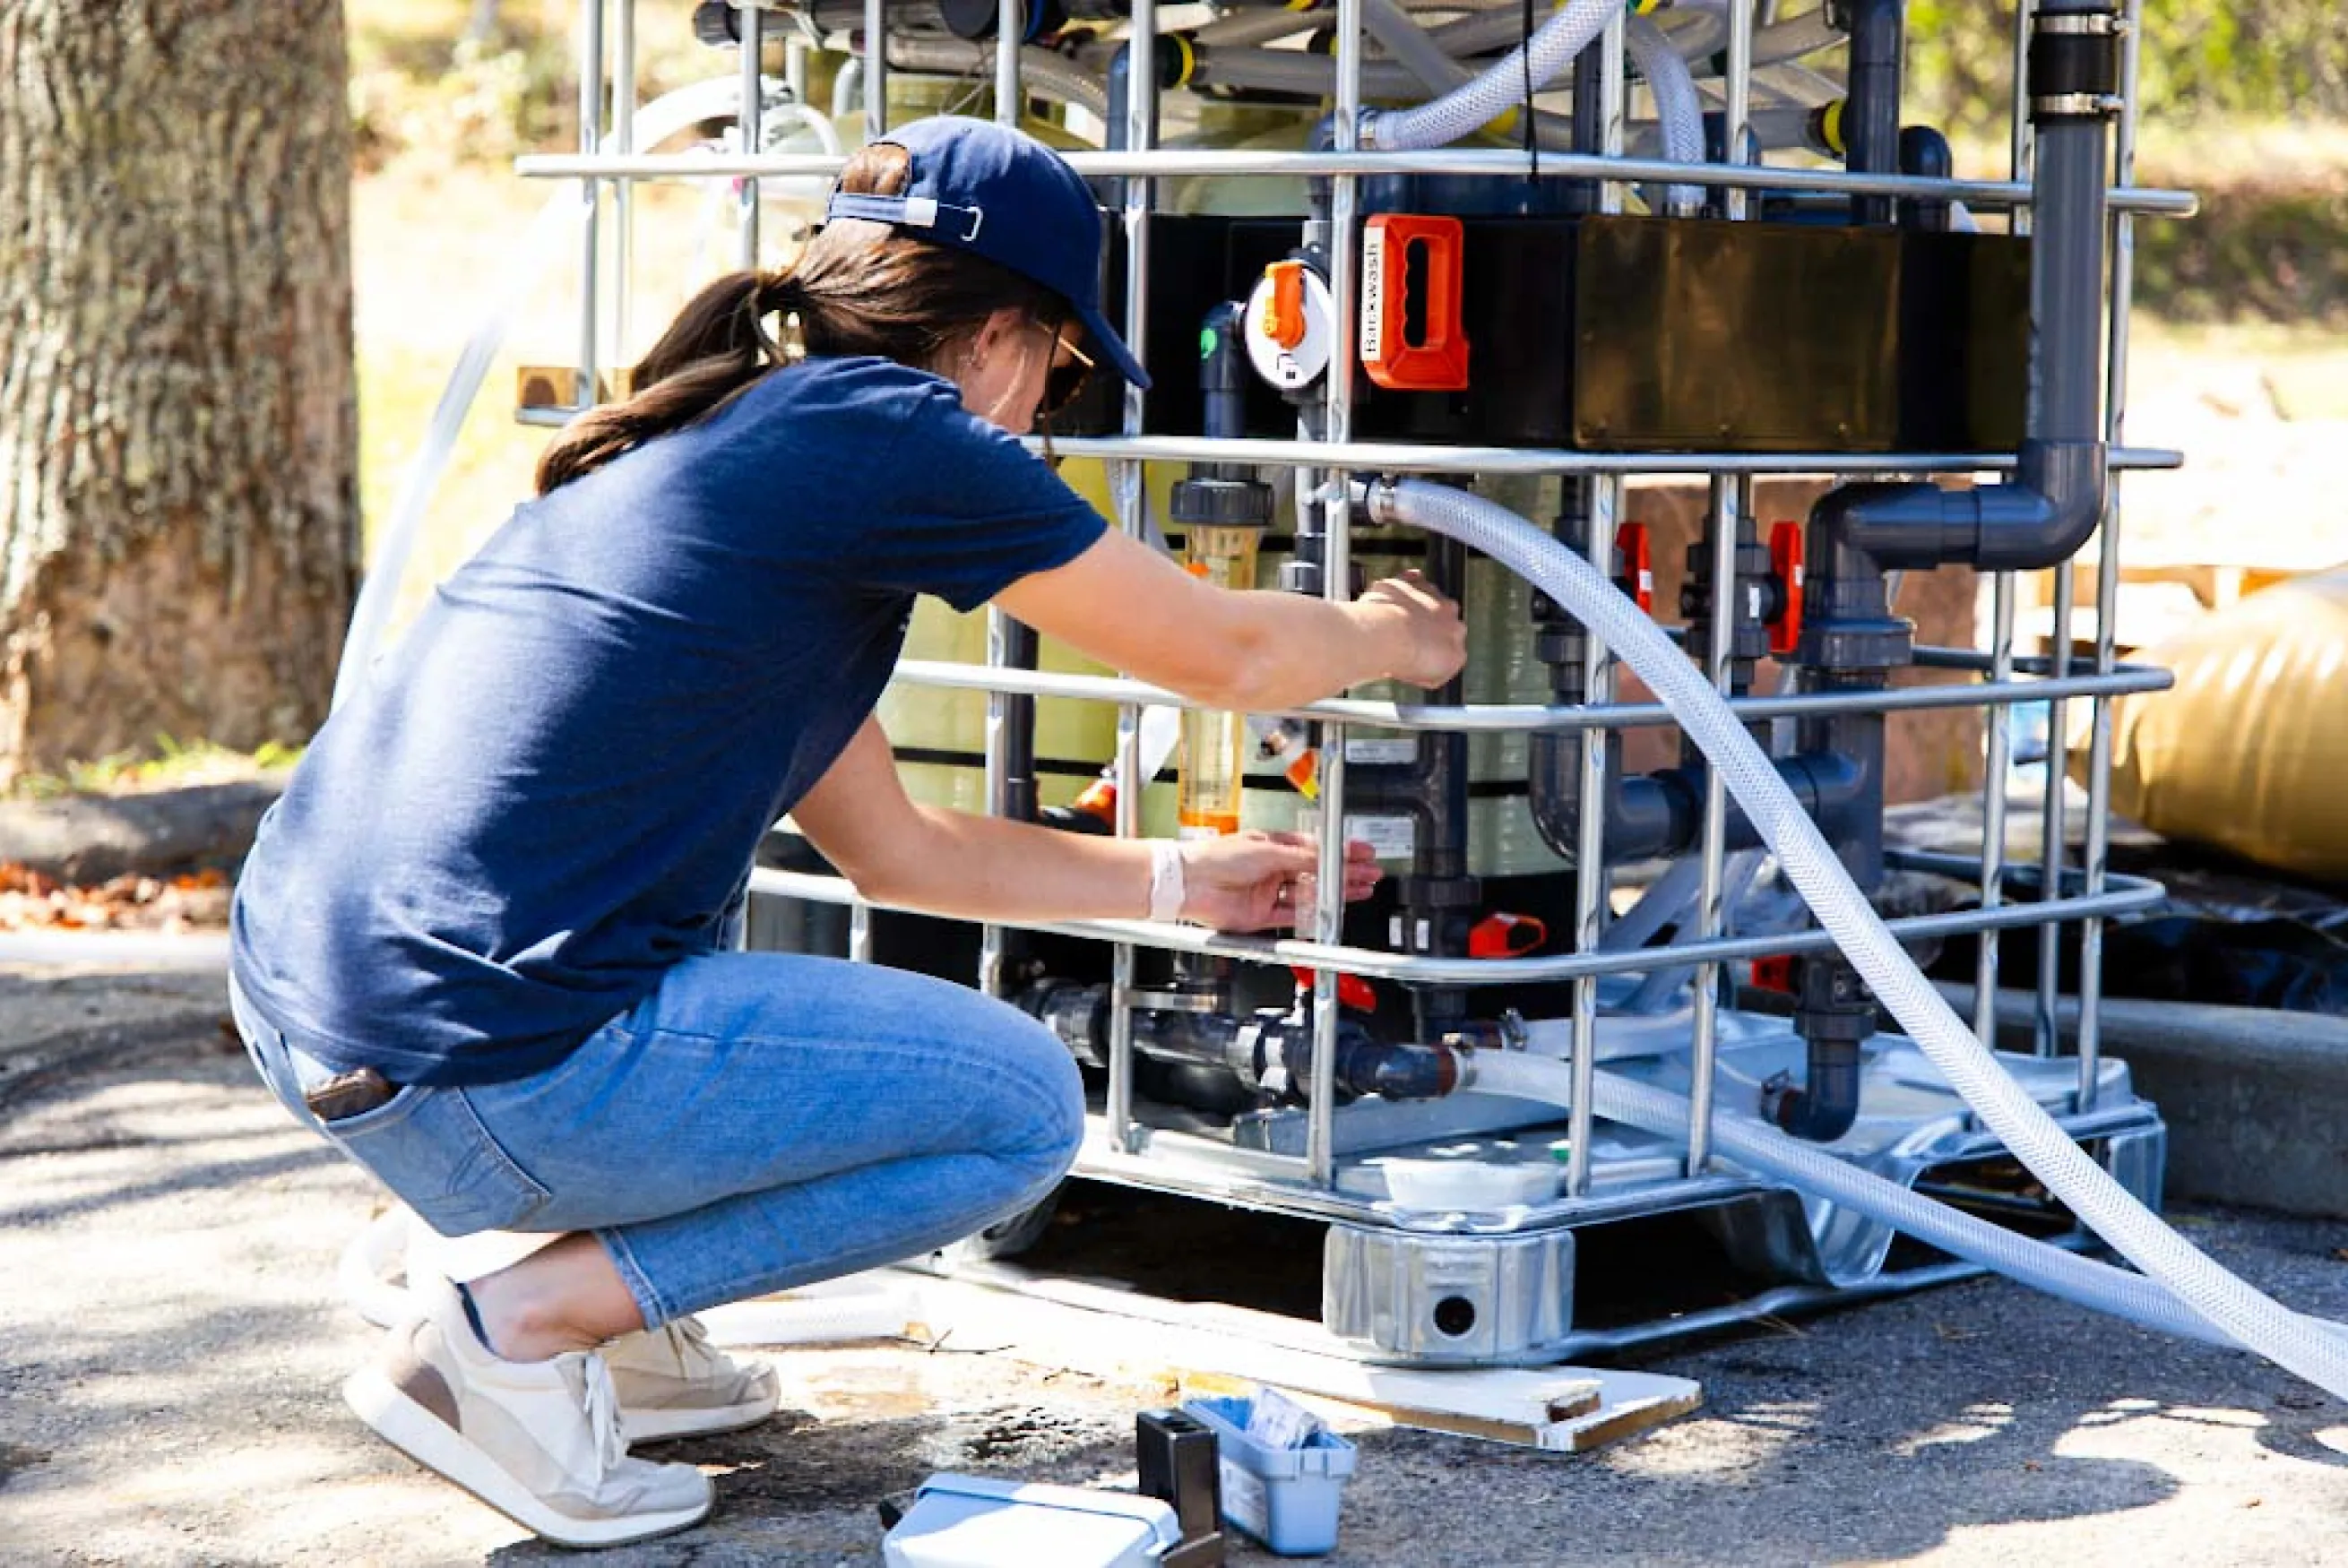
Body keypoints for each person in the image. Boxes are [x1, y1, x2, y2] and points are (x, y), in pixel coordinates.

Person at [227, 116, 1464, 1548]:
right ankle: (512, 1327)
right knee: (1017, 1109)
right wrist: (1388, 633)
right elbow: (1229, 655)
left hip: (328, 1022)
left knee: (702, 904)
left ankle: (618, 1324)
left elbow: (902, 855)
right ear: (1005, 335)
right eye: (1058, 377)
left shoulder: (745, 436)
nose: (1038, 418)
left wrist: (1189, 881)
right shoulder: (896, 437)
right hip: (472, 1068)